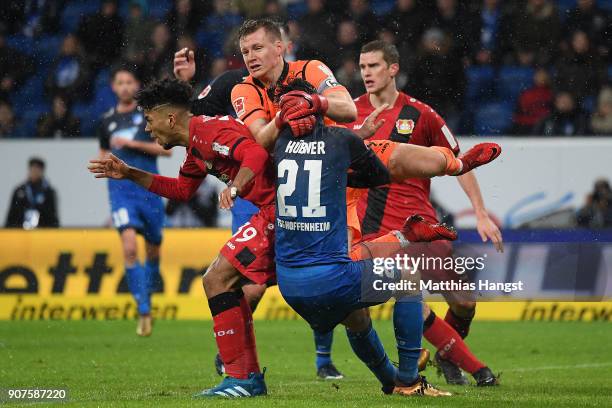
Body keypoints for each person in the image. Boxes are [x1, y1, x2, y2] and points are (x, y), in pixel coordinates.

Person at [88, 77, 500, 398]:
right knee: (350, 308)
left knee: (218, 279)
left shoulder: (210, 132)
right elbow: (181, 190)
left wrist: (237, 186)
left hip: (277, 215)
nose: (147, 126)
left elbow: (252, 154)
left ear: (170, 117)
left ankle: (243, 376)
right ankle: (395, 377)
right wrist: (130, 173)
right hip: (299, 223)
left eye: (149, 118)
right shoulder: (198, 144)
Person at [173, 20, 346, 380]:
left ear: (282, 45)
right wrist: (186, 84)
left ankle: (327, 359)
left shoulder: (311, 71)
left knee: (325, 283)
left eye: (259, 47)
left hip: (313, 192)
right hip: (257, 193)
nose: (251, 56)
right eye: (246, 50)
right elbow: (194, 118)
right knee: (246, 284)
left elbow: (348, 110)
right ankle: (236, 362)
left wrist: (312, 101)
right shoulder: (235, 86)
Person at [272, 78, 454, 397]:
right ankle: (410, 381)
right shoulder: (341, 141)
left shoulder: (279, 144)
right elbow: (377, 177)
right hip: (331, 279)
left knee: (357, 317)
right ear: (319, 106)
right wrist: (359, 145)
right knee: (408, 278)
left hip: (289, 285)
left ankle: (391, 381)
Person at [350, 40, 500, 386]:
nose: (367, 73)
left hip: (423, 225)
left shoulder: (422, 114)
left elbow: (460, 164)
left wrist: (480, 212)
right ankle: (480, 371)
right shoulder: (350, 114)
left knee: (464, 303)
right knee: (414, 299)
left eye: (374, 66)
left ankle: (448, 354)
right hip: (378, 231)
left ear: (393, 69)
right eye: (362, 67)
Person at [97, 65, 170, 336]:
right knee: (129, 248)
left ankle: (148, 299)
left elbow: (165, 150)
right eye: (120, 82)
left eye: (129, 82)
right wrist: (104, 164)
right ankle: (143, 309)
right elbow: (103, 157)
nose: (125, 86)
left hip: (149, 190)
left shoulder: (148, 116)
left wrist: (132, 146)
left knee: (153, 250)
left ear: (136, 85)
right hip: (122, 193)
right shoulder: (106, 122)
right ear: (114, 87)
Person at [6, 157, 59, 228]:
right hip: (20, 231)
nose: (34, 171)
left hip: (42, 231)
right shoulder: (20, 191)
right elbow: (12, 215)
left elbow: (52, 217)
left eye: (37, 169)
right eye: (32, 168)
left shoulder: (48, 192)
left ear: (42, 171)